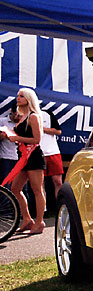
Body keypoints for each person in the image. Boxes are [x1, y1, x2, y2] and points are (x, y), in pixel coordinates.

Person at [6, 88, 46, 234]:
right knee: (15, 189)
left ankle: (40, 222)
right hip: (23, 156)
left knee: (37, 189)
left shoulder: (33, 116)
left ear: (29, 99)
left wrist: (17, 138)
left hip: (34, 156)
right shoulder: (22, 117)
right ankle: (27, 219)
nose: (18, 98)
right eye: (17, 96)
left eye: (22, 96)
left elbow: (37, 140)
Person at [40, 109, 63, 199]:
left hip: (53, 152)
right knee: (40, 183)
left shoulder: (47, 113)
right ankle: (43, 209)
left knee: (58, 181)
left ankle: (60, 206)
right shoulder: (28, 115)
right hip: (38, 153)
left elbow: (58, 131)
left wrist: (42, 129)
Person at [0, 103, 19, 185]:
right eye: (16, 115)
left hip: (20, 158)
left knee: (20, 186)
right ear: (11, 111)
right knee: (6, 184)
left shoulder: (23, 123)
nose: (18, 117)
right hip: (6, 157)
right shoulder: (2, 121)